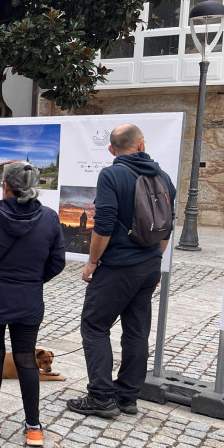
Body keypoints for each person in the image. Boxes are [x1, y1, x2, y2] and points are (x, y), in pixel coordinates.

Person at [67, 123, 176, 419]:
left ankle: (101, 397)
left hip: (117, 267)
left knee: (94, 325)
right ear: (141, 144)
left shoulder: (112, 174)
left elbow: (103, 224)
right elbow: (168, 224)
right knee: (137, 330)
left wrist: (92, 262)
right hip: (150, 264)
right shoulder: (164, 177)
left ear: (112, 149)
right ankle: (128, 396)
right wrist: (155, 257)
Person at [0, 162, 66, 447]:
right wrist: (33, 280)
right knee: (25, 360)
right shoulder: (49, 217)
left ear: (5, 186)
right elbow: (57, 262)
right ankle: (33, 427)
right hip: (28, 299)